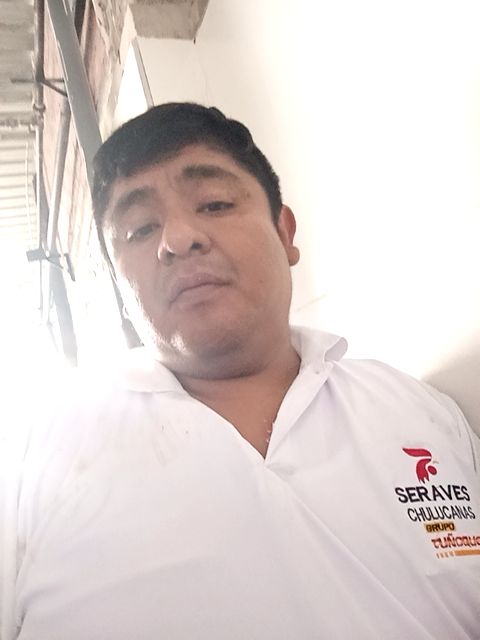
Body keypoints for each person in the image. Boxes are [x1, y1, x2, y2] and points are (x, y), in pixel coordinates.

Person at [1, 103, 479, 640]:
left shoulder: (420, 412)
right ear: (117, 281)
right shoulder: (33, 460)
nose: (178, 239)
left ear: (285, 231)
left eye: (215, 203)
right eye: (139, 230)